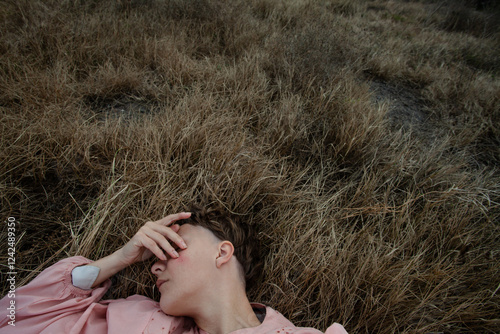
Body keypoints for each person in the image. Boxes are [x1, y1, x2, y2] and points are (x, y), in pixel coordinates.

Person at [0, 205, 347, 334]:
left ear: (222, 252)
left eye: (174, 245)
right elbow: (13, 313)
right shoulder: (132, 311)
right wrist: (120, 258)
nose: (154, 265)